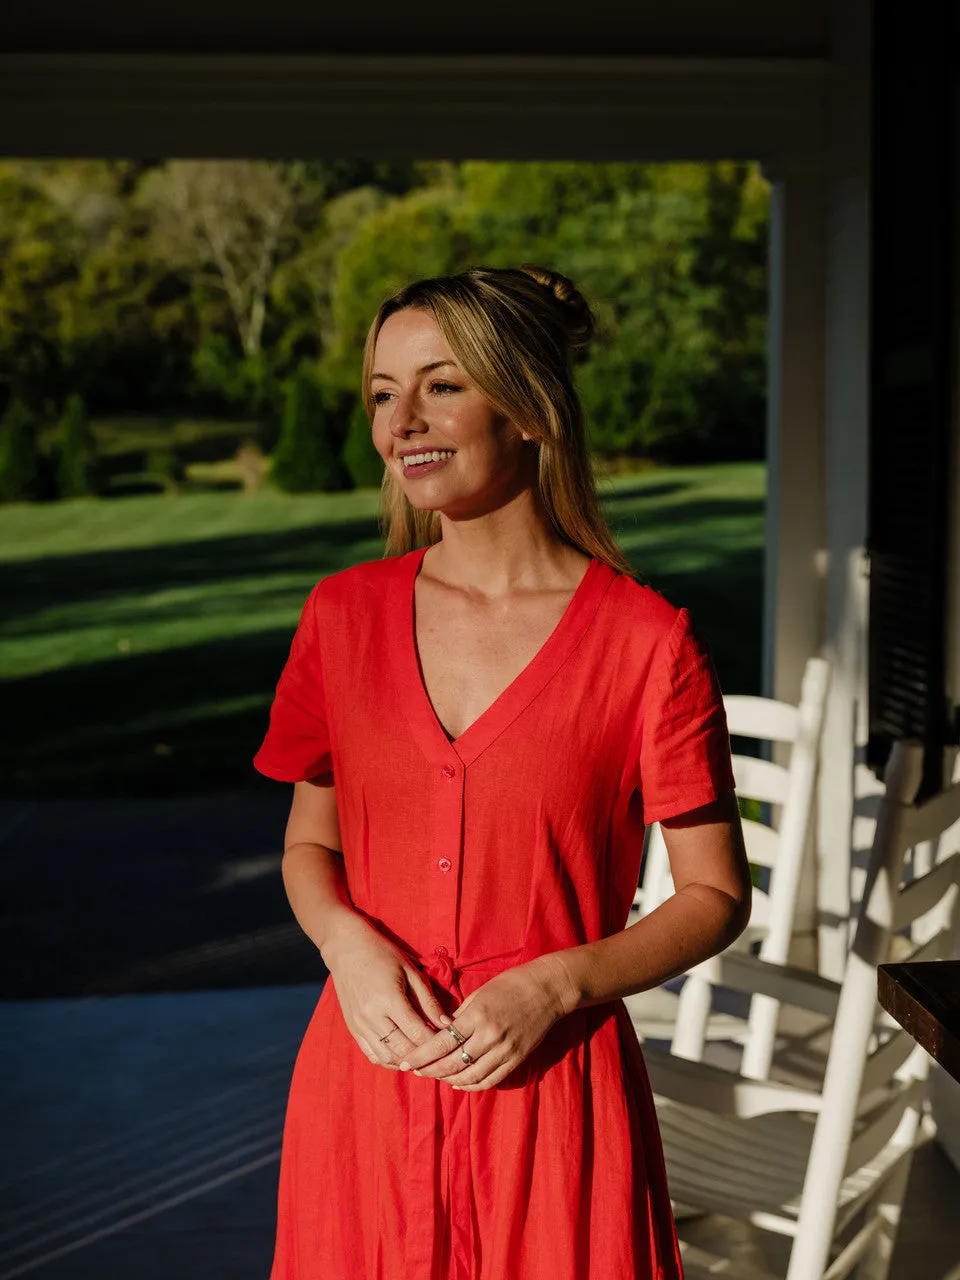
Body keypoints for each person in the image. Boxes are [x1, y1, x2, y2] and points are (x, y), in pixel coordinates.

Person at [253, 264, 752, 1280]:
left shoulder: (647, 644)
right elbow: (312, 842)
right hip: (368, 1083)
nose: (404, 420)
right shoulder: (341, 620)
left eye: (441, 383)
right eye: (384, 392)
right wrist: (344, 943)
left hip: (555, 1096)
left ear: (526, 406)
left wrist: (557, 983)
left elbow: (713, 893)